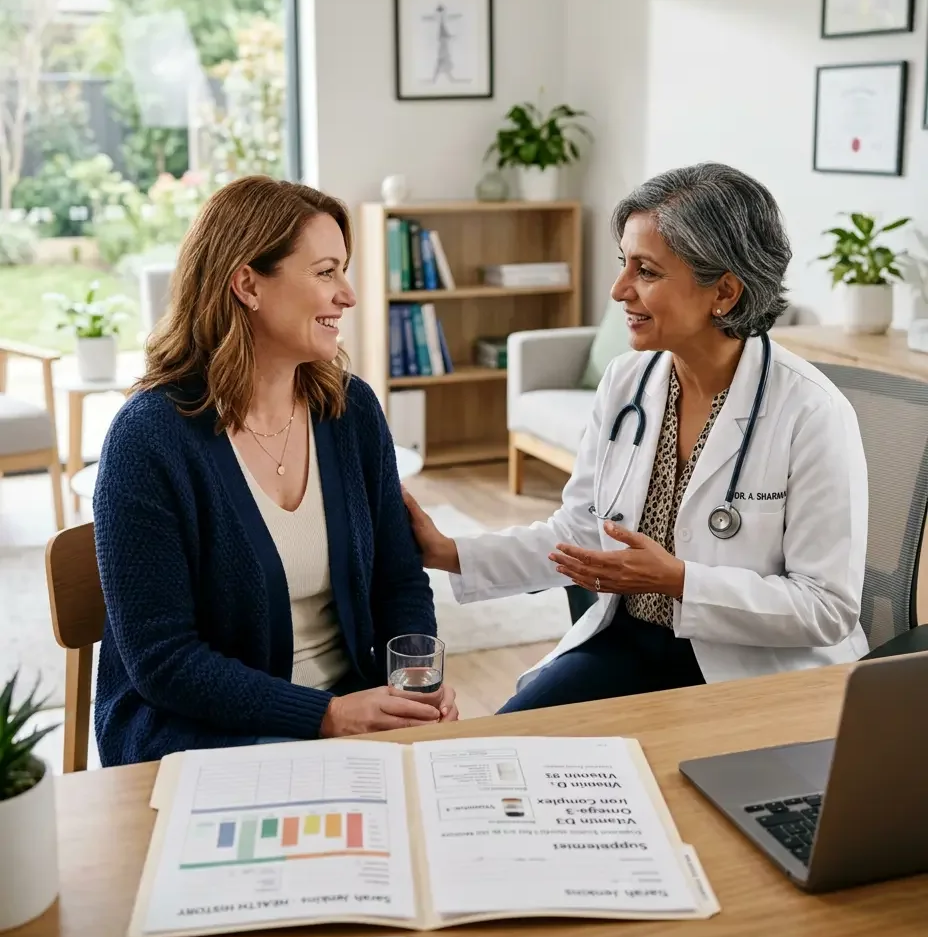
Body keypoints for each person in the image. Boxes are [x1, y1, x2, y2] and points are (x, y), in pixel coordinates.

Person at [404, 162, 869, 713]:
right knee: (510, 739)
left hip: (754, 666)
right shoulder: (629, 380)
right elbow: (580, 532)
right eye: (624, 263)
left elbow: (826, 608)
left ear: (723, 291)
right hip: (630, 642)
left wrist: (680, 581)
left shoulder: (810, 411)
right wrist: (451, 552)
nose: (618, 289)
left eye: (645, 271)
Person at [93, 176, 456, 765]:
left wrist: (413, 682)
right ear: (248, 284)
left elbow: (400, 579)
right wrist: (324, 717)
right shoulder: (148, 439)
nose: (348, 295)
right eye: (325, 272)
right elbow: (163, 660)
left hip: (349, 716)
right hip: (202, 735)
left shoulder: (350, 409)